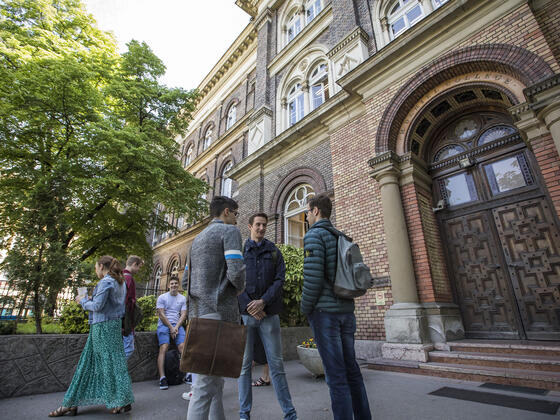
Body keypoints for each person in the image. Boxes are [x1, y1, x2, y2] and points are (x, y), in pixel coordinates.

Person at [301, 194, 371, 420]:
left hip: (325, 314)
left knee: (335, 375)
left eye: (308, 211)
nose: (307, 215)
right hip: (346, 311)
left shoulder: (314, 236)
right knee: (352, 371)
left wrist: (305, 308)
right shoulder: (341, 236)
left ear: (316, 211)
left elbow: (312, 279)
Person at [49, 256, 134, 416]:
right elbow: (112, 305)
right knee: (114, 362)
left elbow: (97, 306)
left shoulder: (106, 282)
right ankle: (121, 399)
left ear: (102, 266)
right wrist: (90, 299)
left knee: (90, 364)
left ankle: (72, 403)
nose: (96, 270)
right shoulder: (120, 282)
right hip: (114, 327)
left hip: (101, 327)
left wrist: (82, 301)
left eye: (96, 267)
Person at [186, 195, 245, 420]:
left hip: (198, 313)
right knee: (203, 387)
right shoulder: (229, 232)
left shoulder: (197, 240)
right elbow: (236, 270)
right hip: (219, 312)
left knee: (214, 383)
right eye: (236, 214)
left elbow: (185, 282)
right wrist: (239, 288)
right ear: (227, 212)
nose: (237, 220)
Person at [238, 212, 297, 420]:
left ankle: (289, 414)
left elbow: (279, 280)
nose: (261, 228)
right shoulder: (240, 251)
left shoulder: (274, 251)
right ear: (249, 226)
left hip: (269, 315)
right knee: (245, 367)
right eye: (258, 225)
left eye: (264, 225)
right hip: (246, 317)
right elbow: (234, 282)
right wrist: (249, 306)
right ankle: (244, 414)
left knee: (277, 365)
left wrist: (263, 302)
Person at [156, 275, 187, 390]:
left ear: (178, 285)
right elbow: (161, 314)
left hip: (177, 325)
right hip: (164, 325)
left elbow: (183, 314)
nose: (174, 285)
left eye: (176, 283)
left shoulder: (182, 298)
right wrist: (170, 327)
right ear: (168, 285)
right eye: (172, 283)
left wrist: (176, 327)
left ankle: (188, 374)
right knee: (164, 347)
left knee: (182, 347)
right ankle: (162, 377)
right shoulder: (162, 297)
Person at [122, 255, 143, 359]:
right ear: (134, 264)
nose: (138, 270)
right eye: (139, 267)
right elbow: (126, 301)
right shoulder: (128, 278)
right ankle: (117, 373)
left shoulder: (121, 276)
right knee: (128, 349)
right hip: (126, 320)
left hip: (121, 320)